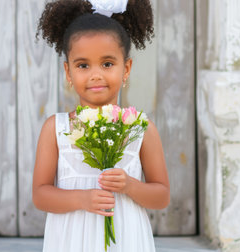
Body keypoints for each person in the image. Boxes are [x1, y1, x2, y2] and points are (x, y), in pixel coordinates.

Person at [32, 0, 170, 251]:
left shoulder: (141, 128)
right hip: (72, 239)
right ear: (68, 71)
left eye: (107, 64)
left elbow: (161, 196)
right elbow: (41, 195)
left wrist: (130, 185)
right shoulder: (55, 128)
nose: (96, 74)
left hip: (125, 239)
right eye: (83, 65)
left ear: (126, 68)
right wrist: (82, 198)